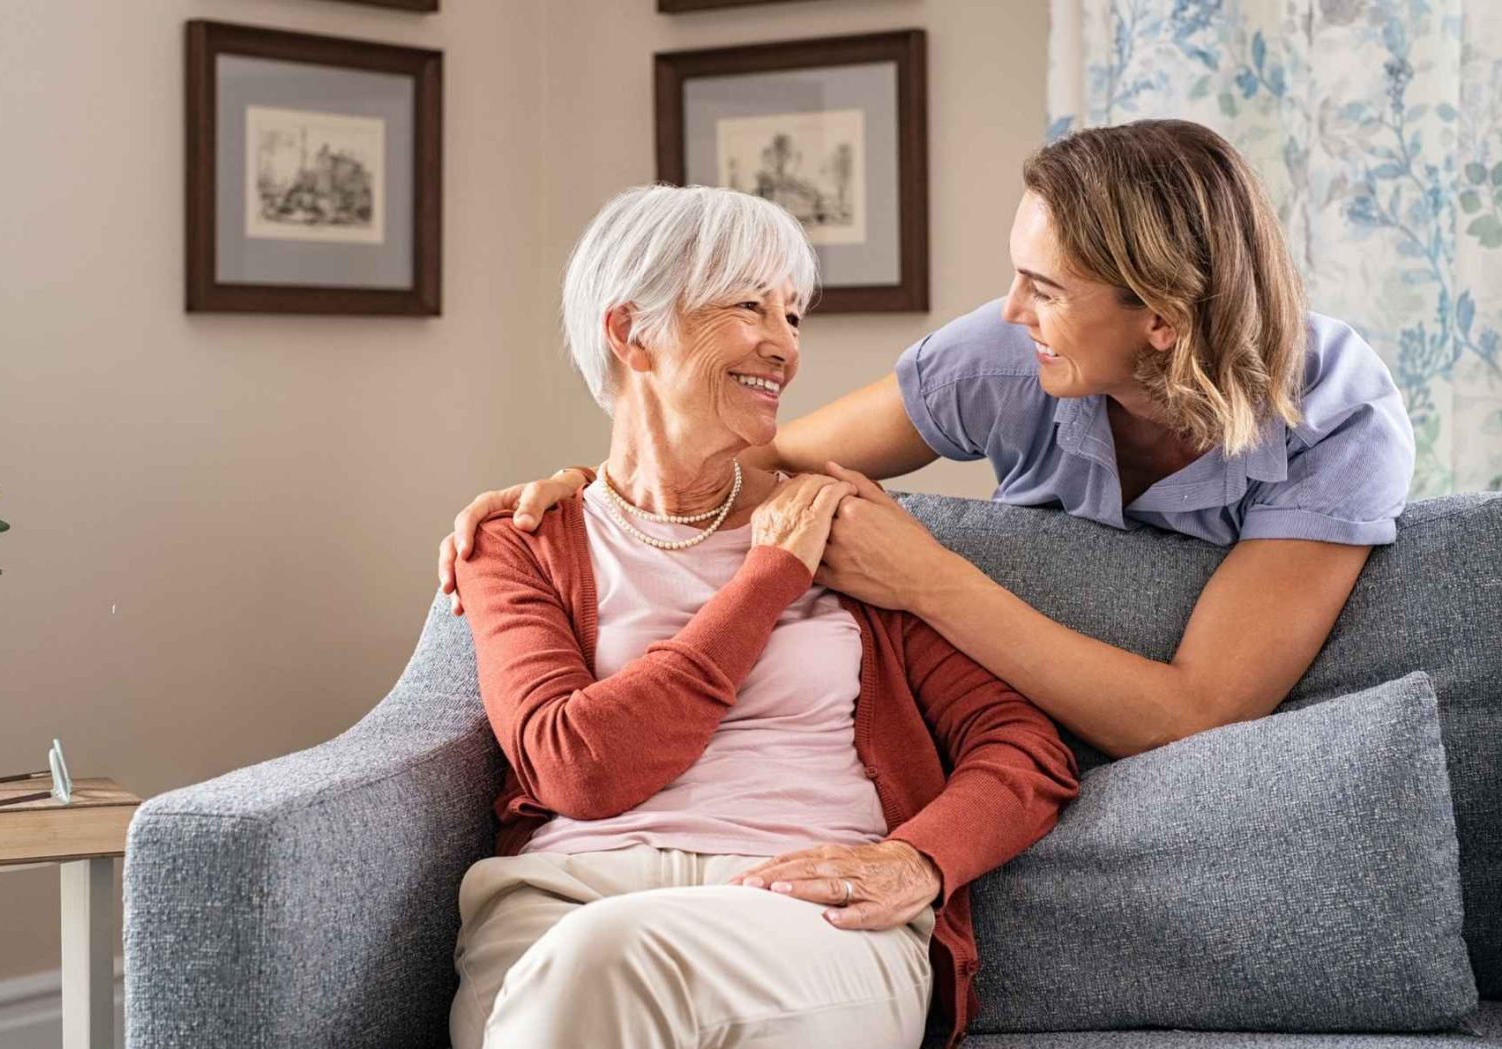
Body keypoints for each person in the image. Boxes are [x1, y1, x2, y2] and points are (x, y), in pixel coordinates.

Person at [440, 119, 1415, 761]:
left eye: (1045, 288)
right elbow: (755, 464)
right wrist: (593, 486)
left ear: (1158, 318)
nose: (1007, 308)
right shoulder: (1002, 355)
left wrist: (925, 576)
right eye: (1014, 273)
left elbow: (1199, 714)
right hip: (1005, 736)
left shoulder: (1333, 412)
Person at [448, 184, 1079, 1049]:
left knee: (599, 968)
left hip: (803, 913)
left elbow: (1025, 748)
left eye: (793, 315)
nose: (783, 346)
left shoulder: (847, 532)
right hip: (565, 901)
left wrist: (917, 861)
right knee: (581, 965)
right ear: (630, 333)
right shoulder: (519, 540)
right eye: (750, 306)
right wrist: (767, 581)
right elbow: (576, 768)